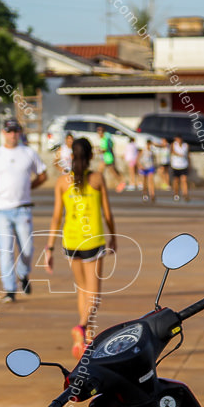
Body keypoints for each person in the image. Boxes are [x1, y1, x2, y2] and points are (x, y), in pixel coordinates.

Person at [42, 137, 117, 359]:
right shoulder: (97, 178)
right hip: (92, 239)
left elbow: (57, 216)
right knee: (94, 293)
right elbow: (107, 212)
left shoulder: (62, 181)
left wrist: (49, 247)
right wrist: (113, 236)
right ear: (91, 156)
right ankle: (82, 326)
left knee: (82, 289)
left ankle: (87, 336)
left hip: (71, 241)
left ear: (72, 156)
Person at [0, 119, 48, 303]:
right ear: (3, 132)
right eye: (9, 131)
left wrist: (29, 188)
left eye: (16, 131)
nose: (13, 134)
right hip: (1, 210)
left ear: (20, 132)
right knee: (6, 251)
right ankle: (10, 289)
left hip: (23, 209)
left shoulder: (29, 153)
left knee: (27, 248)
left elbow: (43, 175)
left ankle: (23, 274)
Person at [95, 126, 122, 190]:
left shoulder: (105, 139)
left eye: (100, 133)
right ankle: (121, 182)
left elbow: (105, 149)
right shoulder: (105, 138)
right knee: (111, 171)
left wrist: (98, 151)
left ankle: (98, 185)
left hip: (107, 158)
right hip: (106, 158)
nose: (99, 134)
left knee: (100, 172)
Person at [169, 135, 190, 202]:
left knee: (184, 180)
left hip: (184, 165)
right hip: (176, 165)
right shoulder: (173, 145)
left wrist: (190, 164)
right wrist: (178, 154)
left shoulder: (186, 145)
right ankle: (176, 194)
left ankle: (185, 194)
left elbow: (188, 155)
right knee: (176, 181)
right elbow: (172, 151)